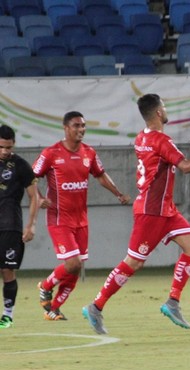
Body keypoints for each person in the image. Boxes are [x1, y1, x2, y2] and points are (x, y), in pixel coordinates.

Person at [82, 94, 190, 335]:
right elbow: (184, 167)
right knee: (134, 262)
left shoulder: (142, 137)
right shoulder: (161, 141)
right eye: (164, 106)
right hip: (151, 212)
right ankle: (96, 306)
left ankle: (172, 302)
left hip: (166, 209)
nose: (166, 109)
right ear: (158, 113)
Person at [33, 111, 130, 321]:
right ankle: (46, 285)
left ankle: (54, 308)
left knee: (76, 269)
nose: (81, 130)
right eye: (77, 126)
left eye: (83, 126)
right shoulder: (51, 153)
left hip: (81, 220)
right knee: (73, 264)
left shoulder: (89, 153)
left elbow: (101, 175)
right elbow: (31, 179)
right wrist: (39, 198)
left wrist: (118, 193)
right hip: (59, 220)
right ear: (66, 128)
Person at [0, 125, 40, 328]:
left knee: (7, 271)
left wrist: (31, 225)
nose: (5, 151)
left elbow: (35, 197)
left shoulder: (21, 166)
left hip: (10, 225)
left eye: (8, 147)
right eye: (1, 147)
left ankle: (7, 315)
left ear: (13, 143)